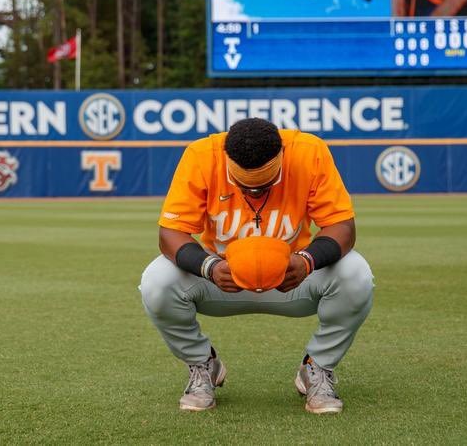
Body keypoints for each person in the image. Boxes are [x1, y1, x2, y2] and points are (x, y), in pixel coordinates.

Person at [139, 117, 374, 414]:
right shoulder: (202, 155)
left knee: (356, 272)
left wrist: (307, 261)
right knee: (156, 280)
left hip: (293, 277)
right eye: (245, 186)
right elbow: (169, 233)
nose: (256, 193)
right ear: (228, 162)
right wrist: (208, 267)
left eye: (265, 185)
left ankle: (317, 367)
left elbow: (343, 227)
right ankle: (203, 364)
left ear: (281, 159)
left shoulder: (307, 151)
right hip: (220, 279)